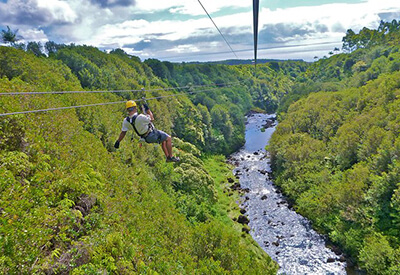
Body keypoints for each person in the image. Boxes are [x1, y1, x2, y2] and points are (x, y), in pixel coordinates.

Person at [114, 100, 180, 162]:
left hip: (145, 138)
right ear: (135, 108)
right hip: (152, 134)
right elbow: (152, 118)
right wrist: (148, 110)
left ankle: (167, 157)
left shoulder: (126, 121)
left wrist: (118, 141)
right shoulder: (140, 117)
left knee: (163, 141)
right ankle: (171, 157)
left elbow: (123, 132)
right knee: (168, 138)